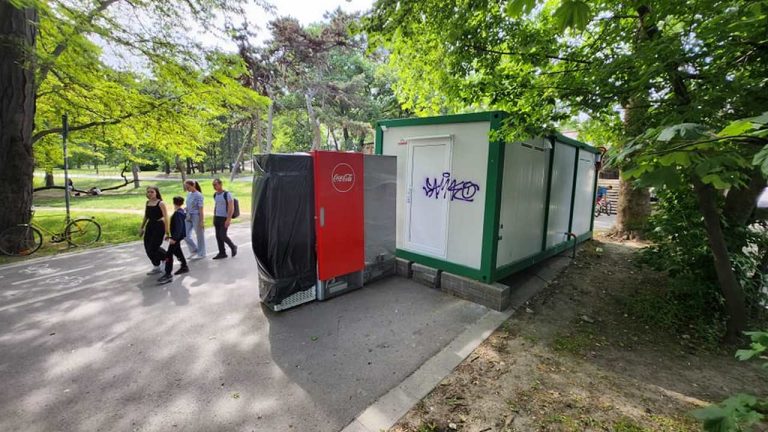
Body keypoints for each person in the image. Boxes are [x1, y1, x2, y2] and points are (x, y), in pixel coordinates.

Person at [158, 196, 189, 284]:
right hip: (178, 236)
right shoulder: (181, 211)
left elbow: (178, 227)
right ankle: (184, 266)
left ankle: (168, 274)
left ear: (173, 203)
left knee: (168, 254)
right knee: (177, 251)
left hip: (176, 237)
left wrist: (174, 238)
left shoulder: (177, 213)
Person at [139, 186, 169, 274]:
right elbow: (146, 216)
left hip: (159, 226)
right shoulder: (147, 202)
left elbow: (166, 218)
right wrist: (142, 227)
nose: (150, 193)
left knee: (153, 247)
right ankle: (156, 265)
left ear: (156, 193)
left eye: (152, 192)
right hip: (150, 226)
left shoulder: (161, 203)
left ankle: (166, 258)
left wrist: (167, 232)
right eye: (148, 192)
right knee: (147, 246)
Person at [211, 178, 237, 259]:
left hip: (224, 218)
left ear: (220, 184)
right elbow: (216, 205)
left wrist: (228, 219)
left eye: (215, 184)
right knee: (218, 236)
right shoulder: (215, 194)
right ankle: (222, 253)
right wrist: (214, 216)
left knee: (222, 235)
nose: (214, 186)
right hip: (217, 217)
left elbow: (231, 208)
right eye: (213, 185)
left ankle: (233, 246)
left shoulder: (227, 194)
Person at [183, 180, 206, 259]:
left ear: (193, 185)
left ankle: (201, 253)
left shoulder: (199, 195)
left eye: (188, 187)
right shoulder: (189, 194)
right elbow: (189, 204)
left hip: (196, 216)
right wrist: (186, 208)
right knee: (185, 235)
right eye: (186, 187)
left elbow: (201, 209)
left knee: (199, 235)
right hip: (188, 215)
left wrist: (201, 221)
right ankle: (194, 250)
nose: (187, 189)